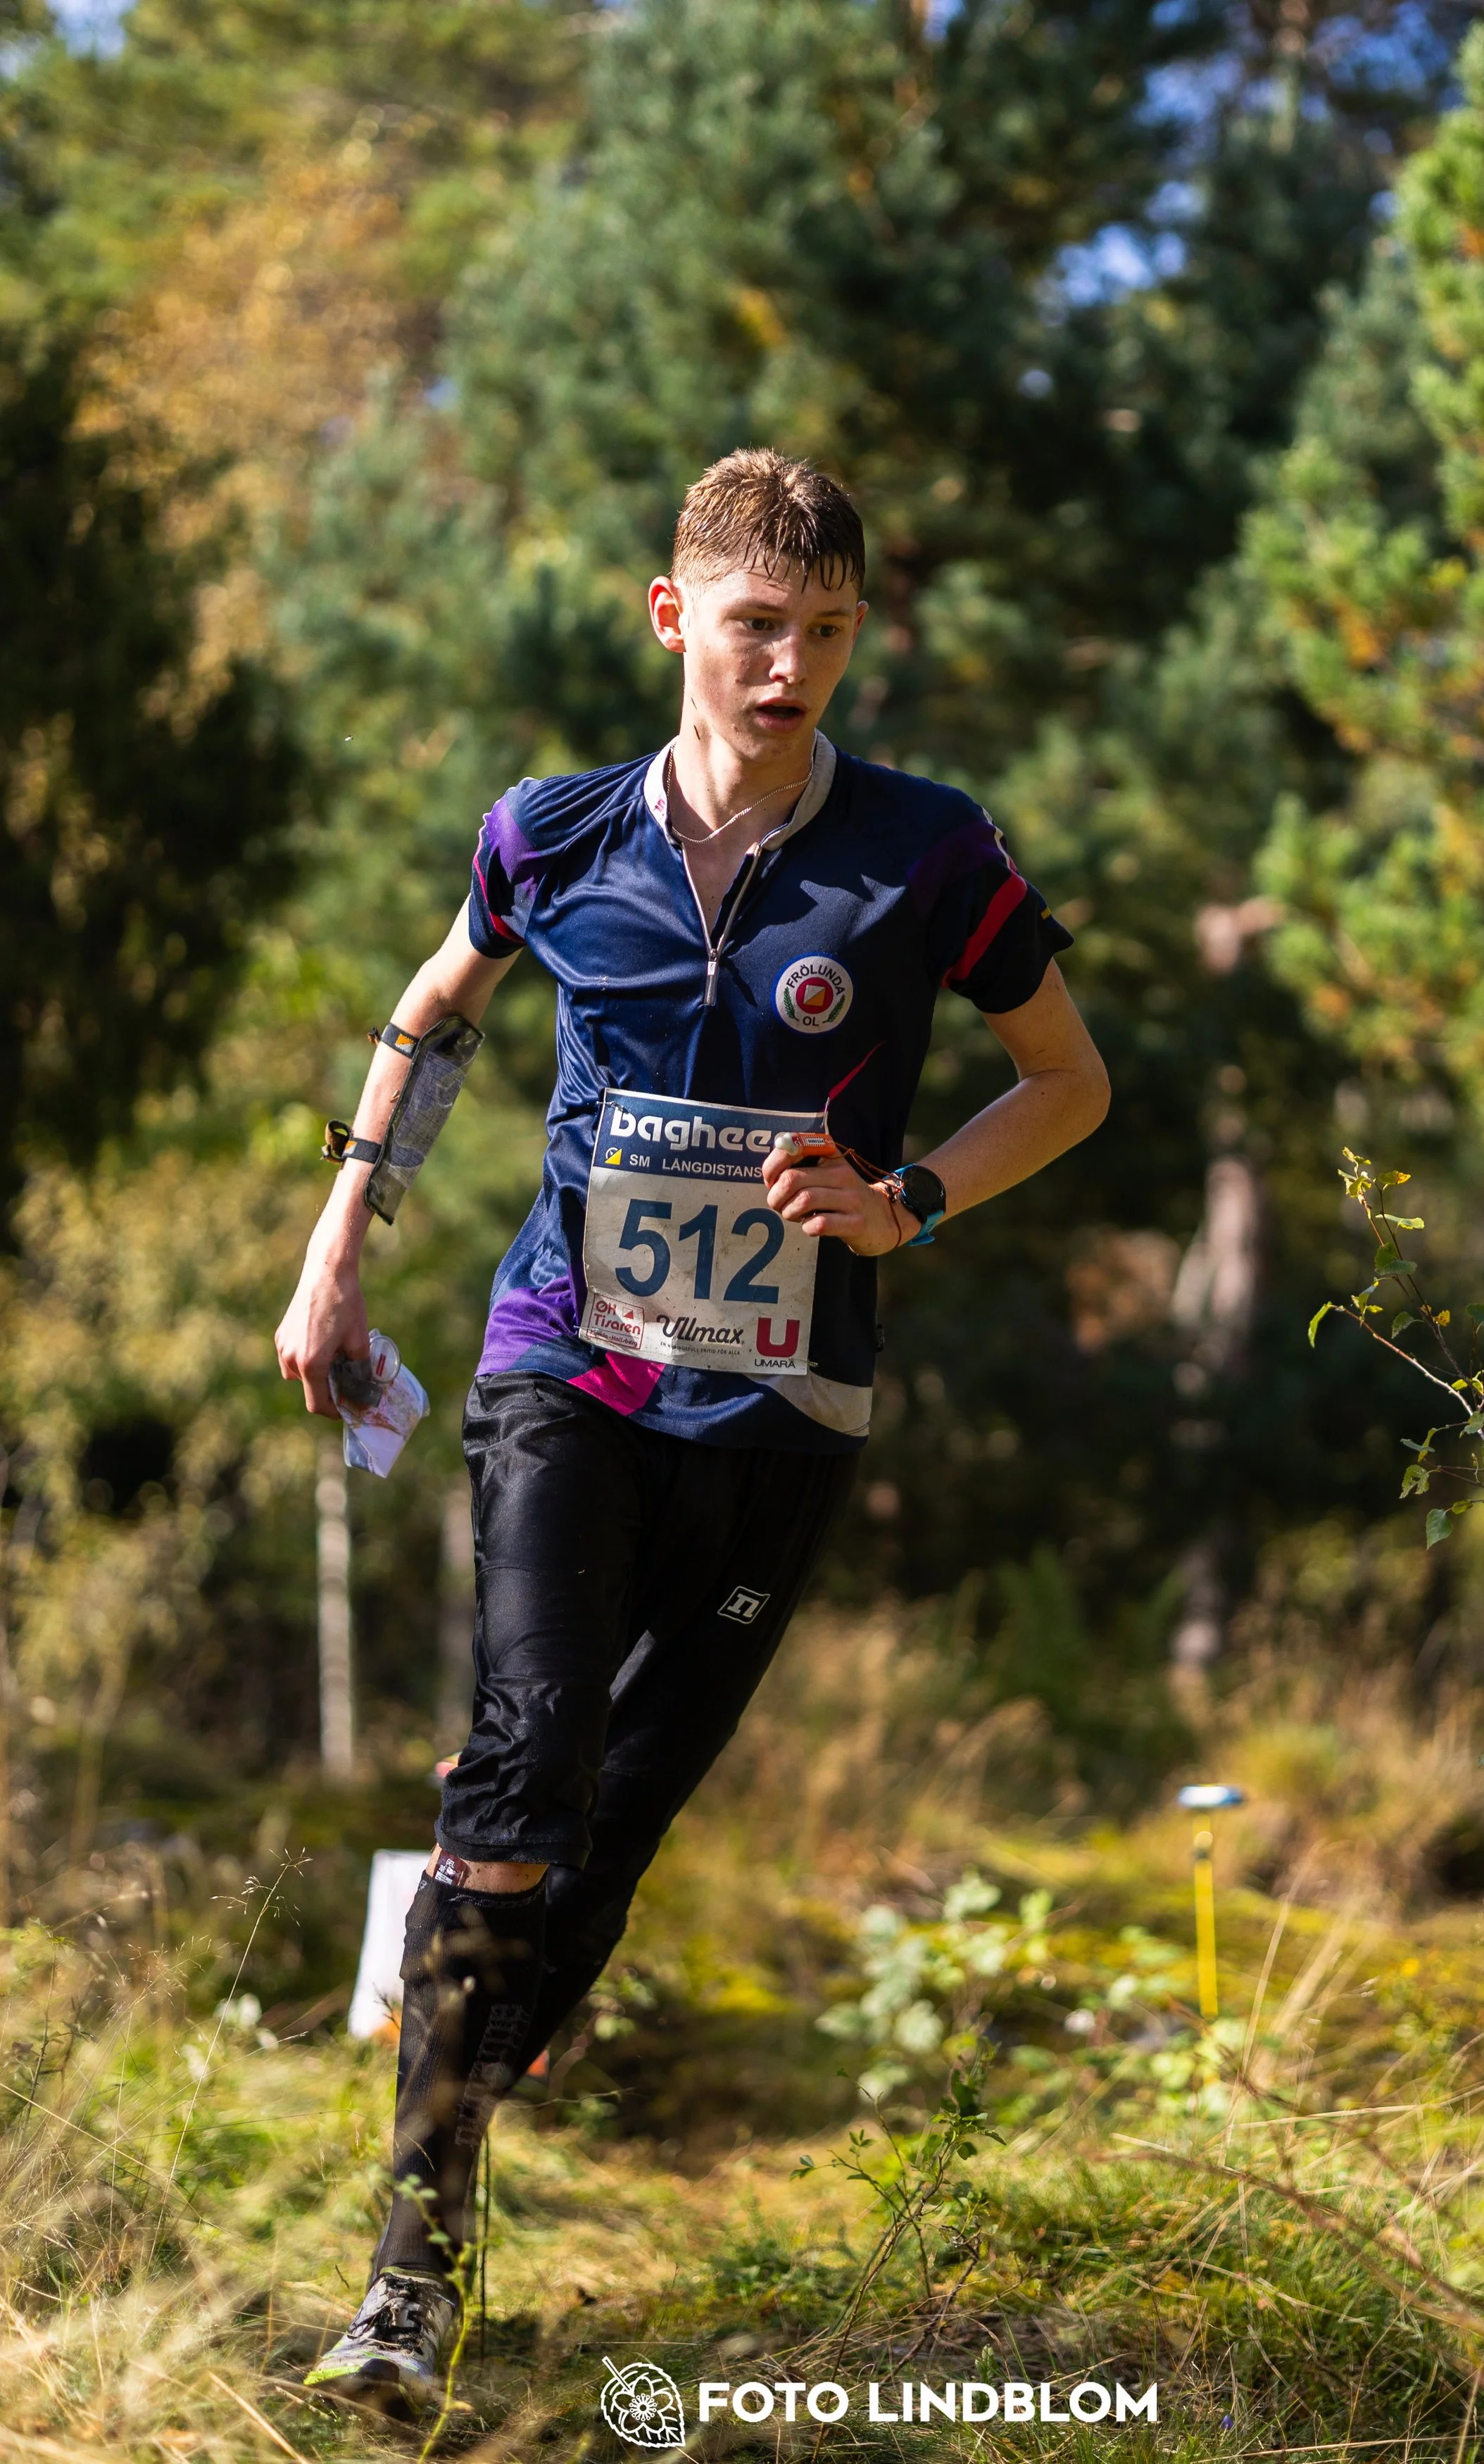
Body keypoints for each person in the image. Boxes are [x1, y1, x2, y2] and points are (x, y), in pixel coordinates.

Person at [275, 448, 1108, 2410]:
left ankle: (465, 2050)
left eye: (825, 634)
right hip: (568, 1362)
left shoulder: (922, 856)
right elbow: (437, 1009)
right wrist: (339, 1244)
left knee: (614, 1824)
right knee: (526, 1760)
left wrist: (908, 1197)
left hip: (789, 1406)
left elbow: (1065, 1079)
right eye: (756, 625)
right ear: (675, 619)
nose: (789, 666)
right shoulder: (554, 834)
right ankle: (410, 2273)